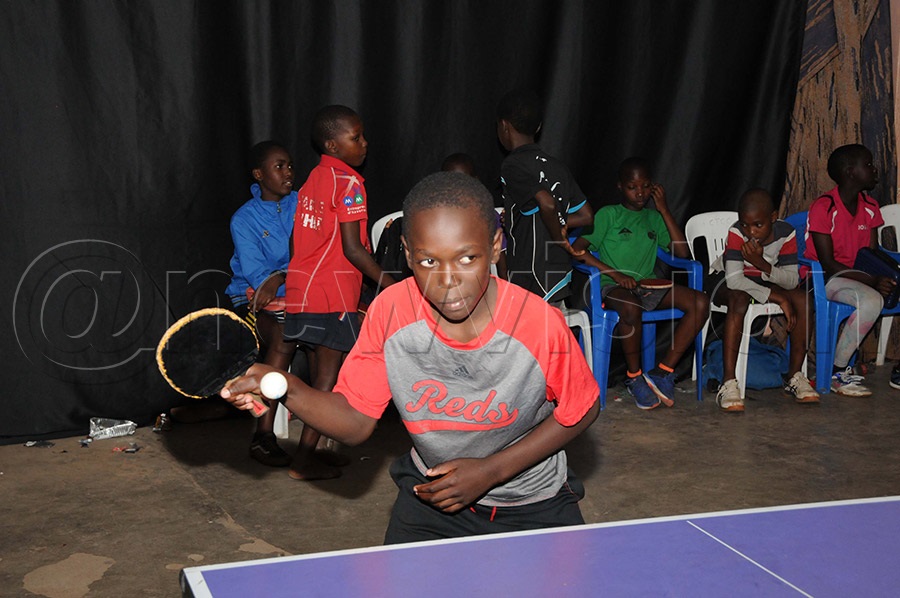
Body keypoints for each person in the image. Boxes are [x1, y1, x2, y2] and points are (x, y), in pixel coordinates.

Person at [223, 171, 600, 543]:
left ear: (496, 245)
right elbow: (355, 422)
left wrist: (491, 471)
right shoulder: (391, 312)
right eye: (429, 262)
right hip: (432, 497)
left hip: (531, 503)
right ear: (407, 254)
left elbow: (583, 409)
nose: (448, 280)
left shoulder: (538, 323)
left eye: (467, 258)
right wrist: (286, 386)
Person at [283, 105, 397, 480]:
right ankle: (302, 461)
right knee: (327, 381)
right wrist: (392, 285)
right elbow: (353, 249)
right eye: (356, 137)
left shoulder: (313, 179)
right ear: (332, 144)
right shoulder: (349, 183)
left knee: (321, 371)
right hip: (331, 294)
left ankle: (315, 452)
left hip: (303, 289)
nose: (364, 144)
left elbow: (297, 238)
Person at [571, 157, 710, 410]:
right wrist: (615, 274)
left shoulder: (653, 218)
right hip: (611, 286)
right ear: (620, 187)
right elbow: (578, 249)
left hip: (646, 286)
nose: (640, 193)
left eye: (646, 186)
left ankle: (662, 372)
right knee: (631, 306)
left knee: (700, 301)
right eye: (632, 187)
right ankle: (634, 377)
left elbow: (682, 253)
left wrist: (664, 210)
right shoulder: (608, 215)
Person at [707, 189, 818, 412]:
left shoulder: (785, 232)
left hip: (762, 277)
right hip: (724, 280)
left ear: (773, 217)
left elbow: (791, 280)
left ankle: (794, 375)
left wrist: (761, 264)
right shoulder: (736, 233)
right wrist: (776, 297)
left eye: (758, 225)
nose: (750, 232)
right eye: (745, 225)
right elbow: (735, 280)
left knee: (803, 299)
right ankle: (728, 382)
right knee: (739, 300)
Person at [224, 141, 299, 466]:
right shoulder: (244, 219)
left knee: (331, 334)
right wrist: (278, 278)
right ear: (259, 174)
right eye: (279, 167)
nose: (288, 172)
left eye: (290, 166)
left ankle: (318, 438)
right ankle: (263, 436)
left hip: (298, 292)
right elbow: (258, 277)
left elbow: (315, 255)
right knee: (283, 336)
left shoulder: (303, 204)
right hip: (249, 298)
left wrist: (282, 275)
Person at [805, 143, 893, 396]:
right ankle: (837, 370)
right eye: (868, 164)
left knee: (884, 290)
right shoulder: (824, 207)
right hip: (823, 279)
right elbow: (828, 264)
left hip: (856, 278)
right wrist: (872, 280)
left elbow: (871, 255)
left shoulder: (870, 207)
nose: (874, 169)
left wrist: (886, 276)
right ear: (850, 172)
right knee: (871, 300)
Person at [496, 89, 593, 304]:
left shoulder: (512, 165)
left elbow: (547, 203)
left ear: (504, 126)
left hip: (532, 272)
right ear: (538, 127)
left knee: (531, 325)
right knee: (553, 322)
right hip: (557, 270)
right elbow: (586, 216)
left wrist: (558, 238)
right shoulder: (557, 166)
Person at [441, 152, 508, 280]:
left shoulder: (487, 215)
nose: (458, 187)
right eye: (452, 181)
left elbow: (501, 262)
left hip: (478, 281)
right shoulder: (437, 217)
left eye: (464, 180)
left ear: (475, 181)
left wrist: (504, 287)